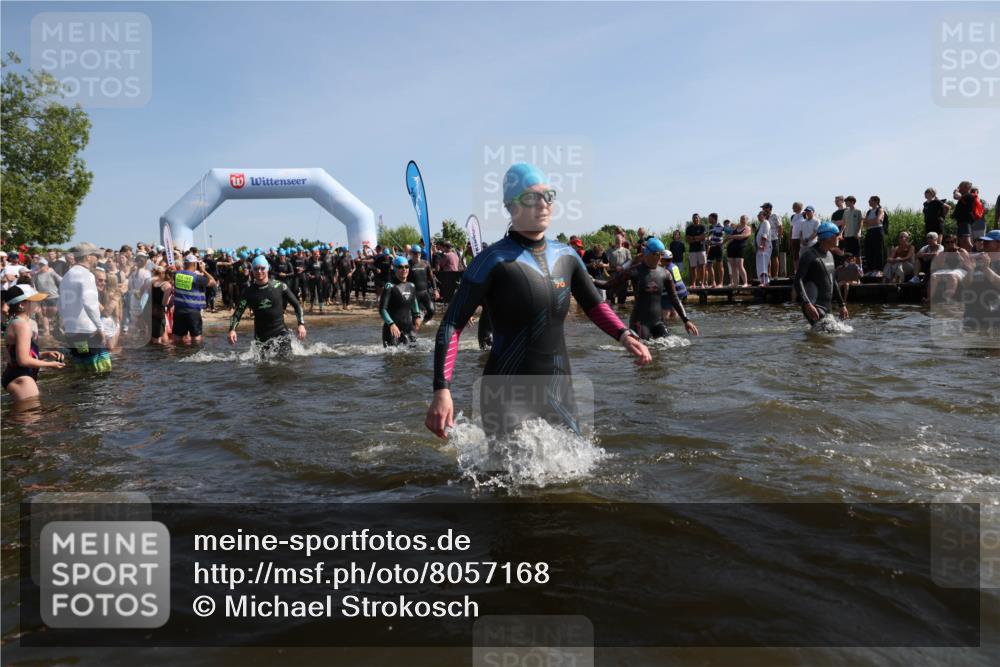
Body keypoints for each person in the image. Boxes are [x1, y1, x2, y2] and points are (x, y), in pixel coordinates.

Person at [425, 163, 651, 439]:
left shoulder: (566, 255)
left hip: (559, 386)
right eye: (532, 198)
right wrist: (442, 389)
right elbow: (451, 325)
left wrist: (625, 336)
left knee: (572, 473)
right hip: (505, 390)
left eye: (549, 196)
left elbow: (595, 305)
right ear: (511, 206)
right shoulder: (491, 260)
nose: (543, 204)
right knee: (503, 478)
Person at [595, 237, 698, 340]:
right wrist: (592, 280)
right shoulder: (634, 271)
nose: (660, 258)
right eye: (657, 254)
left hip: (658, 322)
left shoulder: (665, 273)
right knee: (642, 350)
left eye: (661, 254)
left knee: (669, 346)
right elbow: (608, 285)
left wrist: (686, 320)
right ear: (647, 253)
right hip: (639, 323)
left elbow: (674, 297)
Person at [228, 255, 306, 357]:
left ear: (267, 269)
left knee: (287, 362)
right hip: (261, 336)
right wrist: (232, 330)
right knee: (263, 368)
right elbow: (237, 313)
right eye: (256, 269)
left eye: (262, 268)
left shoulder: (279, 286)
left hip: (280, 332)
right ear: (252, 270)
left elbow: (296, 305)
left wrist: (301, 324)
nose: (259, 271)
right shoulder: (248, 292)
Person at [2, 286, 65, 400]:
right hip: (21, 378)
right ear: (21, 305)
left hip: (16, 375)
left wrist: (45, 354)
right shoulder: (22, 325)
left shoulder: (16, 322)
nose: (39, 303)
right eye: (34, 300)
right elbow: (23, 360)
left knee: (26, 415)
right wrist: (51, 364)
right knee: (31, 415)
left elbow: (17, 355)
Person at [60, 242, 111, 372]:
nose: (97, 259)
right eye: (95, 256)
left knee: (83, 368)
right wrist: (100, 328)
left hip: (73, 332)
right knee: (100, 371)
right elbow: (90, 304)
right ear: (88, 257)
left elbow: (60, 304)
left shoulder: (67, 276)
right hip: (88, 333)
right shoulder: (87, 275)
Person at [794, 222, 849, 325]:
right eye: (837, 234)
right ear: (828, 237)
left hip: (827, 307)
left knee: (830, 337)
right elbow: (798, 280)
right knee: (831, 334)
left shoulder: (829, 255)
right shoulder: (809, 255)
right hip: (814, 306)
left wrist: (842, 305)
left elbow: (833, 281)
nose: (840, 237)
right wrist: (807, 304)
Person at [171, 254, 217, 345]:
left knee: (177, 338)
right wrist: (203, 270)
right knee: (196, 338)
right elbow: (213, 282)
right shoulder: (197, 278)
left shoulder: (177, 275)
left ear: (185, 264)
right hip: (193, 312)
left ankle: (177, 355)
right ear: (195, 264)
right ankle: (194, 354)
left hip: (179, 311)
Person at [379, 256, 422, 347]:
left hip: (408, 328)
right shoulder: (390, 286)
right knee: (393, 358)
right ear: (395, 268)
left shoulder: (411, 286)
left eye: (406, 267)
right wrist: (391, 324)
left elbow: (413, 301)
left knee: (415, 357)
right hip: (393, 330)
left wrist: (417, 315)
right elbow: (382, 309)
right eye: (400, 267)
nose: (404, 269)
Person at [408, 245, 438, 323]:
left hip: (424, 292)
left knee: (431, 311)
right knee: (415, 315)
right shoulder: (408, 265)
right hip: (413, 293)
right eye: (415, 253)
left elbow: (432, 278)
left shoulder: (425, 263)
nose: (417, 255)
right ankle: (414, 329)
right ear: (411, 254)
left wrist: (435, 290)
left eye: (419, 253)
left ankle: (424, 323)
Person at [32, 258, 61, 336]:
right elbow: (33, 285)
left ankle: (57, 330)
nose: (41, 266)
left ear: (47, 265)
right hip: (42, 297)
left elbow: (61, 281)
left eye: (43, 265)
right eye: (40, 264)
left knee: (56, 314)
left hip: (54, 296)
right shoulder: (36, 275)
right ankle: (46, 331)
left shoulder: (52, 273)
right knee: (44, 314)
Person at [603, 234, 631, 305]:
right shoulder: (609, 251)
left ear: (622, 241)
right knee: (610, 297)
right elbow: (605, 261)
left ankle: (621, 315)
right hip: (612, 275)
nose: (617, 241)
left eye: (619, 240)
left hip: (622, 276)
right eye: (616, 240)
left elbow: (630, 261)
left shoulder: (626, 251)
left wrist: (622, 267)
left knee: (622, 298)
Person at [863, 196, 887, 276]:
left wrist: (867, 221)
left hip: (877, 231)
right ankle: (871, 269)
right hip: (869, 231)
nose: (868, 202)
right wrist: (869, 221)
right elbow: (864, 224)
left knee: (878, 250)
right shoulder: (869, 211)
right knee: (869, 250)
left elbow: (877, 221)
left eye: (870, 200)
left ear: (876, 201)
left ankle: (879, 270)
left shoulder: (880, 210)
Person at [726, 215, 751, 287]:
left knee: (739, 265)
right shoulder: (737, 227)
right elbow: (730, 237)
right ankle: (735, 283)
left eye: (744, 219)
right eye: (741, 219)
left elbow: (743, 236)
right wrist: (723, 243)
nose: (742, 220)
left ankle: (745, 283)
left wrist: (732, 236)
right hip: (731, 247)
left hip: (740, 247)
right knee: (733, 266)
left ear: (747, 220)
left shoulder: (747, 228)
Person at [951, 181, 976, 252]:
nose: (959, 187)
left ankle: (976, 255)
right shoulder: (963, 197)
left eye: (960, 186)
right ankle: (966, 259)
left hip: (965, 221)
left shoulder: (968, 195)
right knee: (961, 242)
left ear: (966, 187)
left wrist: (956, 191)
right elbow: (955, 197)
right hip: (961, 221)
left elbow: (956, 196)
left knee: (966, 241)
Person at [685, 213, 708, 288]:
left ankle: (702, 283)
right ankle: (693, 283)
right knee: (693, 267)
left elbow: (704, 237)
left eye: (697, 218)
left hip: (701, 249)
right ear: (692, 219)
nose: (696, 219)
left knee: (702, 266)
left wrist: (693, 238)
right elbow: (687, 239)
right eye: (694, 218)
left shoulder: (702, 227)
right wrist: (697, 238)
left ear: (699, 219)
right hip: (692, 250)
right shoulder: (689, 228)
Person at [761, 203, 783, 278]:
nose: (763, 210)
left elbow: (780, 226)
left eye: (764, 208)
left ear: (769, 208)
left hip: (774, 239)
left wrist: (779, 237)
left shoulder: (775, 215)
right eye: (763, 208)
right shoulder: (764, 217)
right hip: (766, 240)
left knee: (775, 257)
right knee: (767, 257)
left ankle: (776, 275)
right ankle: (768, 274)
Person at [841, 196, 863, 265]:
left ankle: (860, 270)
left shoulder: (858, 211)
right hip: (847, 236)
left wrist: (858, 232)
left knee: (857, 255)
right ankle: (848, 269)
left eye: (846, 201)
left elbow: (860, 222)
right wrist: (841, 233)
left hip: (855, 236)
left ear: (852, 202)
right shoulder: (845, 212)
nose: (845, 203)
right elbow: (844, 224)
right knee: (847, 255)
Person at [706, 213, 726, 288]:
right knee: (708, 265)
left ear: (714, 218)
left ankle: (721, 283)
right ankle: (713, 282)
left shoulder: (720, 225)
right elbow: (709, 235)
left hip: (718, 247)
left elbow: (728, 234)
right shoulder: (710, 226)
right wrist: (708, 240)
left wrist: (723, 243)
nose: (708, 219)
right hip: (712, 247)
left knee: (719, 266)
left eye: (709, 218)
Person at [755, 210, 772, 286]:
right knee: (760, 265)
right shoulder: (761, 224)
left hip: (764, 247)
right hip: (760, 247)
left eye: (759, 215)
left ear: (764, 216)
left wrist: (762, 244)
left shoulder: (765, 222)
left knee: (763, 264)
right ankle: (763, 281)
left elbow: (765, 234)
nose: (758, 216)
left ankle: (765, 282)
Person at [789, 202, 805, 273]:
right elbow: (791, 228)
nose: (792, 208)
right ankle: (796, 271)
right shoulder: (793, 216)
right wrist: (790, 238)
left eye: (794, 207)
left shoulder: (804, 214)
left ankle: (803, 270)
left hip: (802, 238)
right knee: (795, 255)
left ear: (798, 207)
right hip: (794, 238)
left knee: (802, 255)